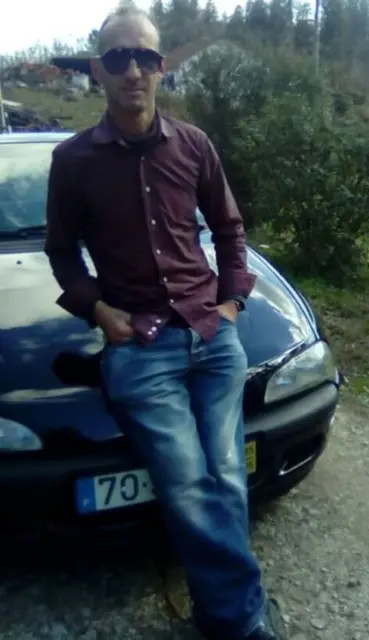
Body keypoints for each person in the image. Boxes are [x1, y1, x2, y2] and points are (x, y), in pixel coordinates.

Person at [45, 6, 286, 640]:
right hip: (139, 347)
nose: (133, 70)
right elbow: (61, 252)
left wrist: (231, 304)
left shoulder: (195, 146)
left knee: (227, 474)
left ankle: (225, 609)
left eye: (145, 57)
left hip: (212, 335)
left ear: (160, 68)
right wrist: (99, 311)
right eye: (118, 58)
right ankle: (242, 619)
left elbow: (230, 230)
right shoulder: (73, 160)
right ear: (99, 70)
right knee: (186, 481)